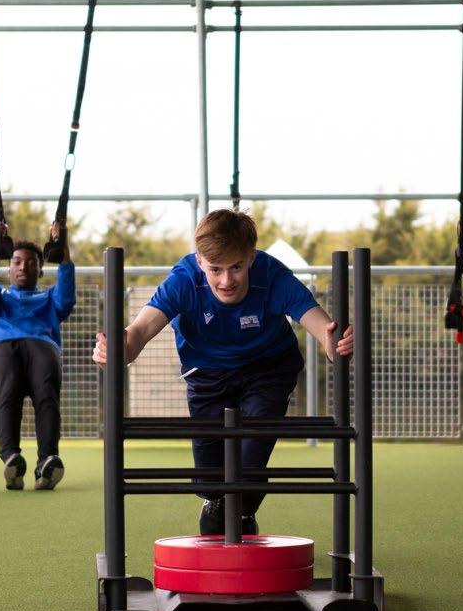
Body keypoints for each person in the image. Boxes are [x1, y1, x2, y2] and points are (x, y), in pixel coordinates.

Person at [91, 208, 353, 535]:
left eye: (236, 267)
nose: (226, 281)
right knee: (210, 477)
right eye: (215, 269)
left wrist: (335, 344)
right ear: (200, 261)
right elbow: (139, 332)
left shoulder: (273, 277)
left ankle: (242, 512)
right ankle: (219, 503)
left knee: (250, 458)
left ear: (252, 258)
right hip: (206, 373)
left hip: (268, 369)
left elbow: (322, 329)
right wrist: (115, 350)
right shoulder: (184, 281)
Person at [0, 220, 75, 491]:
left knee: (46, 397)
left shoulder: (49, 298)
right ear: (8, 268)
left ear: (40, 270)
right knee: (8, 394)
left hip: (41, 345)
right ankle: (12, 459)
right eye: (17, 262)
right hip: (4, 345)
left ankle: (47, 461)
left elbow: (66, 300)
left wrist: (63, 250)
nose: (23, 267)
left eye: (31, 263)